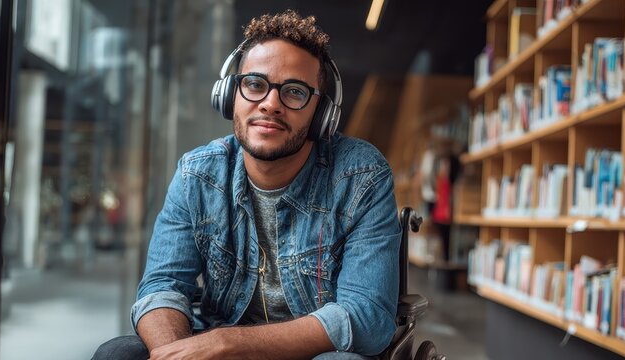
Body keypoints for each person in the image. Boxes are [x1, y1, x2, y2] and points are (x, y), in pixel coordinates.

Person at [93, 9, 401, 360]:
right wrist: (176, 354)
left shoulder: (360, 176)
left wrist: (227, 344)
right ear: (229, 95)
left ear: (321, 115)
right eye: (255, 84)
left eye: (295, 92)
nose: (271, 104)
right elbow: (162, 287)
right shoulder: (198, 174)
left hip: (311, 353)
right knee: (117, 353)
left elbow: (367, 318)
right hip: (214, 346)